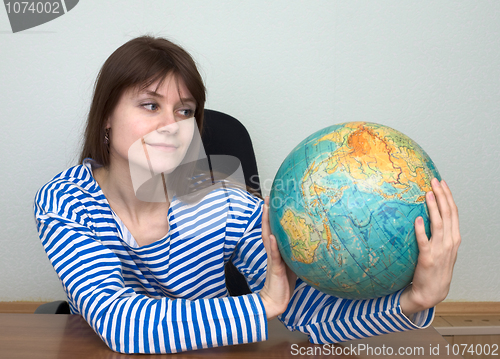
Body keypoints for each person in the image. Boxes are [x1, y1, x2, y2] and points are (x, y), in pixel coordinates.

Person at [33, 36, 461, 354]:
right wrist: (266, 303)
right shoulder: (65, 202)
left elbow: (312, 317)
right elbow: (120, 324)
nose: (173, 125)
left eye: (185, 111)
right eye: (150, 105)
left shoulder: (224, 204)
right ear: (107, 114)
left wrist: (413, 300)